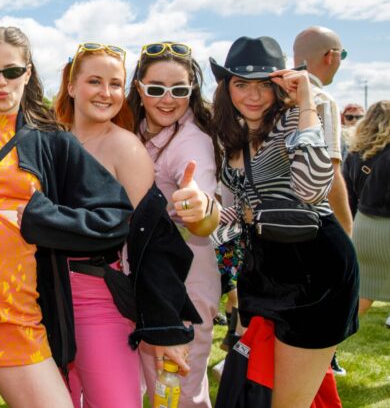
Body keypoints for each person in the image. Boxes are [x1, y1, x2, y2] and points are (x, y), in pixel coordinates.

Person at [0, 26, 134, 408]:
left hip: (12, 313)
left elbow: (115, 217)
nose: (1, 82)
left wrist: (38, 219)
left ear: (28, 73)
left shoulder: (54, 141)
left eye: (11, 71)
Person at [198, 36, 358, 407]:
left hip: (315, 273)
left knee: (287, 402)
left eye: (263, 85)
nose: (252, 96)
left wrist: (304, 103)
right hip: (263, 272)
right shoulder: (230, 133)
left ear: (280, 84)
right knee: (253, 391)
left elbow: (313, 187)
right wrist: (202, 213)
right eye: (241, 84)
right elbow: (233, 210)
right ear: (227, 87)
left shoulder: (300, 117)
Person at [55, 42, 202, 407]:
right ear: (71, 86)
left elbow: (151, 239)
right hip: (45, 298)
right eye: (94, 81)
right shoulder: (46, 141)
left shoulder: (126, 148)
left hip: (98, 301)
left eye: (115, 84)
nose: (106, 93)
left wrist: (166, 324)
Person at [126, 41, 221, 408]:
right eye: (156, 89)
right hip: (133, 274)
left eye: (180, 90)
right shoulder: (128, 129)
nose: (168, 99)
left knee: (180, 395)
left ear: (192, 92)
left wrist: (198, 205)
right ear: (139, 89)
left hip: (184, 281)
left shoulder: (191, 140)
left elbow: (202, 201)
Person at [293, 27, 352, 236]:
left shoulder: (272, 95)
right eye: (342, 55)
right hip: (312, 224)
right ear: (331, 56)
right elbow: (330, 175)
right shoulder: (320, 99)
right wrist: (346, 233)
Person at [343, 101, 390, 319]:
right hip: (386, 227)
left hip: (362, 227)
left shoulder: (354, 153)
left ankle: (327, 343)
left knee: (362, 294)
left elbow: (348, 197)